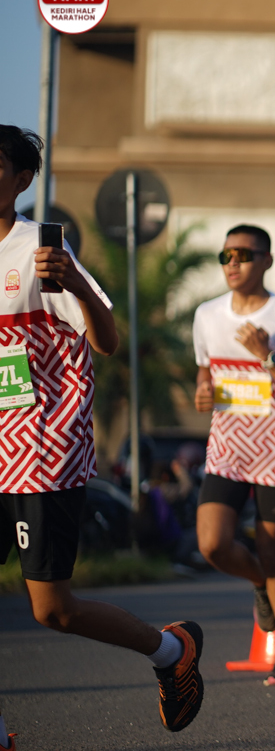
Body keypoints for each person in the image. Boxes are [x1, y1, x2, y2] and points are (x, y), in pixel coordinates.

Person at [0, 126, 204, 744]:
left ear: (21, 180)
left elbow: (107, 341)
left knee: (53, 609)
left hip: (40, 450)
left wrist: (76, 284)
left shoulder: (40, 249)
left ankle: (171, 651)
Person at [192, 224, 275, 684]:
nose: (233, 263)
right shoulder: (207, 315)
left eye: (244, 254)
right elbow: (205, 373)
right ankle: (258, 581)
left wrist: (265, 355)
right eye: (226, 255)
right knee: (212, 544)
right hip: (227, 447)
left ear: (267, 261)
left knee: (274, 553)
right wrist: (202, 391)